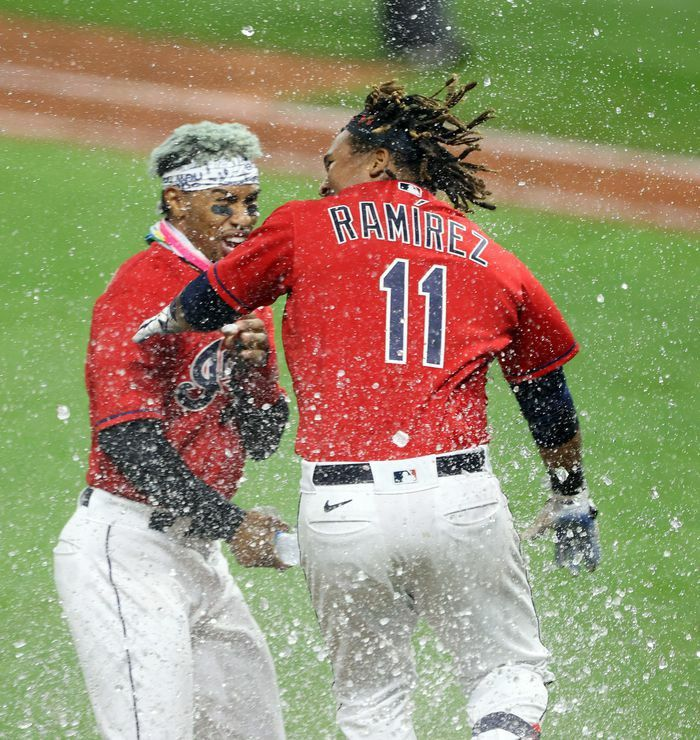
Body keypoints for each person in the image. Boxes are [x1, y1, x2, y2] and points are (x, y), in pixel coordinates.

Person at [133, 81, 601, 739]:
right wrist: (570, 495)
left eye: (332, 160)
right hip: (459, 501)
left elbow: (208, 302)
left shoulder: (303, 225)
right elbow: (545, 397)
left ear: (378, 160)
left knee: (372, 704)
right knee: (506, 677)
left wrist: (160, 323)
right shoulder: (495, 259)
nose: (324, 177)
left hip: (341, 511)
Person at [53, 121, 291, 740]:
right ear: (177, 201)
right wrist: (233, 523)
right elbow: (127, 442)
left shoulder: (241, 292)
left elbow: (263, 440)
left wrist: (254, 375)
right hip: (128, 551)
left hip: (200, 555)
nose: (243, 220)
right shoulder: (141, 287)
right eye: (224, 204)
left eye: (250, 203)